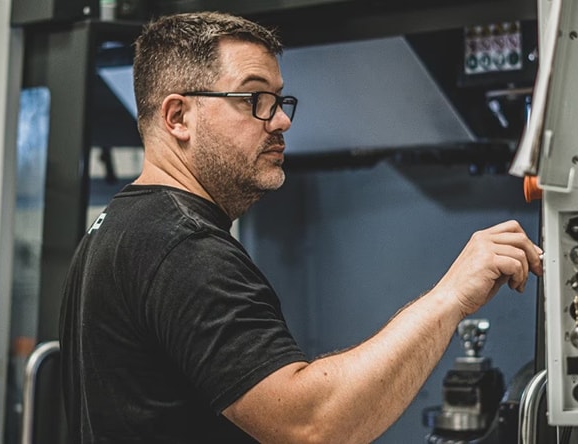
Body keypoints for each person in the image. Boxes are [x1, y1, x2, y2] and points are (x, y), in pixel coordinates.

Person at [59, 11, 543, 444]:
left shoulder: (116, 229)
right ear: (178, 116)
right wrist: (451, 296)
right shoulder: (184, 248)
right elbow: (312, 426)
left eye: (279, 99)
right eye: (254, 98)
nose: (281, 121)